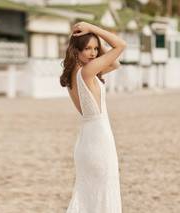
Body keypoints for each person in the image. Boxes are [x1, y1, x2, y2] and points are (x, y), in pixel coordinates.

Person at [60, 21, 126, 213]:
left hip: (87, 140)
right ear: (76, 50)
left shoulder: (75, 73)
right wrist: (92, 28)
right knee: (102, 194)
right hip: (99, 140)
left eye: (95, 49)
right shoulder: (88, 72)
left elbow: (115, 63)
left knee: (89, 195)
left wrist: (95, 40)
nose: (93, 53)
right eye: (87, 48)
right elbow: (121, 45)